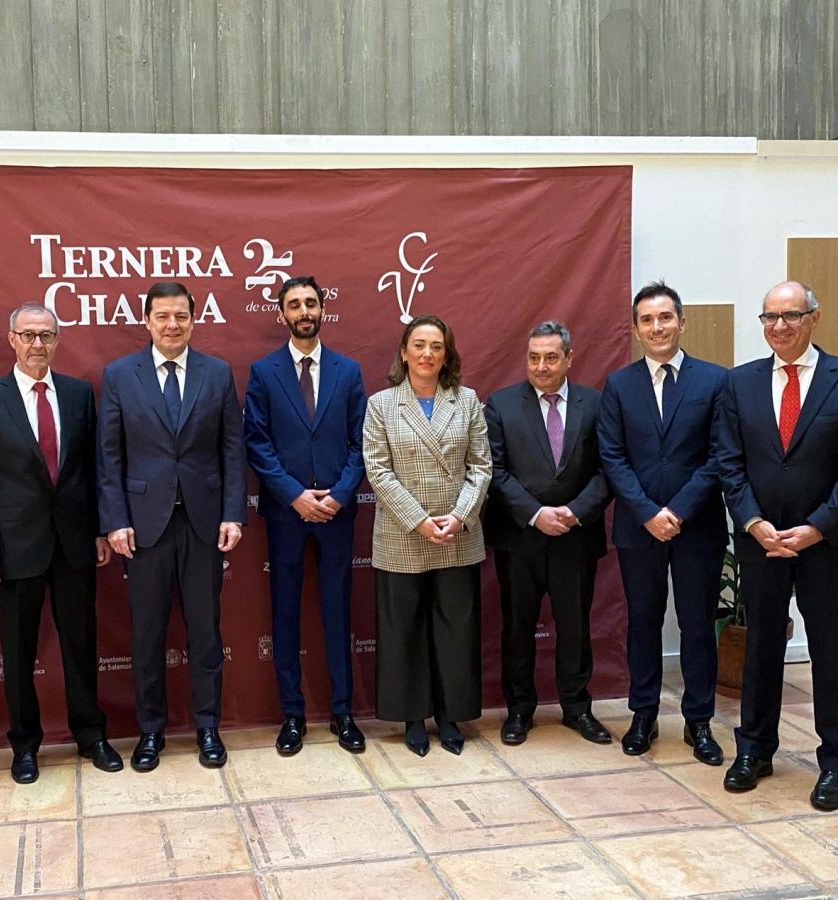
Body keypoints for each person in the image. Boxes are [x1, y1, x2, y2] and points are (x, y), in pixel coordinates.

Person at [0, 303, 121, 783]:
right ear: (11, 339)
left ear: (57, 340)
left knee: (81, 644)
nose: (37, 344)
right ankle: (25, 746)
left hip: (74, 543)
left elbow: (92, 469)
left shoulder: (77, 393)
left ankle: (90, 735)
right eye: (28, 335)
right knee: (17, 652)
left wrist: (99, 529)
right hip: (14, 547)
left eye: (46, 335)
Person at [97, 281, 245, 771]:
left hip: (204, 523)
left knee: (205, 631)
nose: (172, 324)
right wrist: (115, 520)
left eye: (181, 315)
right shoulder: (120, 375)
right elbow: (109, 455)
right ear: (147, 320)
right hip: (143, 527)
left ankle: (208, 727)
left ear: (193, 320)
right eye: (162, 316)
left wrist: (232, 512)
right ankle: (150, 731)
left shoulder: (216, 373)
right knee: (147, 635)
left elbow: (231, 449)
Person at [716, 281, 838, 810]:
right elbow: (729, 462)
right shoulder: (739, 383)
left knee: (830, 652)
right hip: (760, 541)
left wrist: (818, 526)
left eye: (791, 315)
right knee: (761, 646)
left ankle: (834, 762)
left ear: (813, 318)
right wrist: (752, 521)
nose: (780, 326)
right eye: (770, 317)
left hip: (826, 544)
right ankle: (754, 750)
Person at [597, 282, 728, 763]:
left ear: (682, 322)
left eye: (665, 317)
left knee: (697, 626)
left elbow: (720, 455)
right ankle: (644, 714)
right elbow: (612, 457)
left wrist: (679, 510)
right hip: (639, 528)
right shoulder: (618, 385)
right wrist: (649, 512)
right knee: (643, 623)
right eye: (647, 320)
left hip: (698, 527)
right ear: (636, 330)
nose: (657, 327)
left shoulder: (715, 380)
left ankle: (699, 722)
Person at [244, 276, 367, 756]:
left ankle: (342, 712)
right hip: (286, 513)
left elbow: (361, 441)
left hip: (337, 511)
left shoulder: (348, 371)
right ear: (282, 315)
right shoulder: (264, 372)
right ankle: (292, 715)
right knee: (286, 613)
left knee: (338, 612)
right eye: (294, 304)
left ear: (322, 310)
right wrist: (294, 494)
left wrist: (340, 494)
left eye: (311, 303)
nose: (304, 311)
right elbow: (257, 442)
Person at [362, 315, 491, 757]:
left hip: (456, 534)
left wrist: (459, 516)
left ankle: (451, 716)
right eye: (418, 345)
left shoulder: (467, 401)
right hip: (402, 535)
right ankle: (413, 718)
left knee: (456, 630)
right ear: (404, 352)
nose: (427, 354)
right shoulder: (381, 405)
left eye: (436, 346)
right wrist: (418, 520)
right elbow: (378, 470)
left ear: (446, 354)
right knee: (404, 631)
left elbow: (481, 466)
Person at [484, 321, 613, 747]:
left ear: (569, 359)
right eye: (534, 357)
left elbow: (608, 469)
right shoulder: (501, 404)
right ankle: (520, 710)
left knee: (575, 628)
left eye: (551, 357)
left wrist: (575, 513)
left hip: (576, 538)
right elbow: (494, 472)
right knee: (517, 627)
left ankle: (577, 708)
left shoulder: (596, 404)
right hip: (519, 537)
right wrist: (535, 513)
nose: (541, 366)